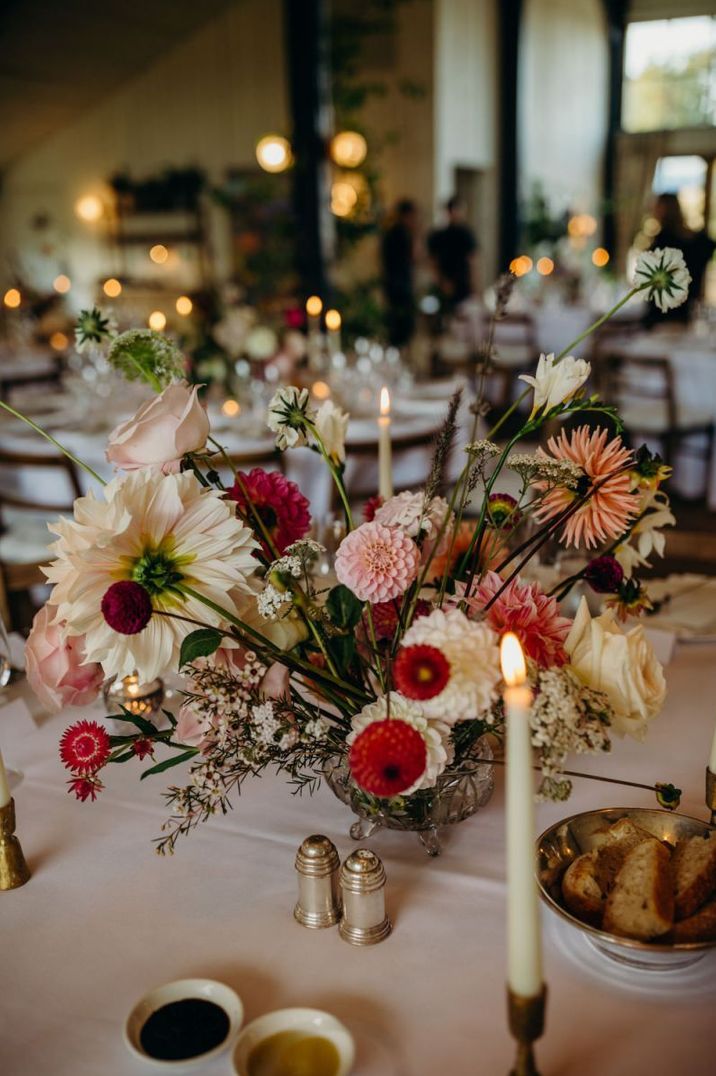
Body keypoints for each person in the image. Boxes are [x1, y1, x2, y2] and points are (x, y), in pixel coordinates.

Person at [645, 192, 715, 326]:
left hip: (664, 314)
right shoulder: (690, 239)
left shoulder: (664, 240)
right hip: (684, 311)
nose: (654, 210)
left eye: (657, 206)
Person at [427, 195, 479, 309]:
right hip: (444, 282)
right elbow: (433, 261)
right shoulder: (439, 235)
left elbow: (472, 261)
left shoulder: (466, 234)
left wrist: (474, 285)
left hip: (462, 283)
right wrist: (440, 280)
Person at [380, 198, 418, 347]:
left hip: (391, 285)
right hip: (401, 286)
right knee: (403, 328)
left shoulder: (389, 233)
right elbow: (415, 257)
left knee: (394, 326)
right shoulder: (403, 234)